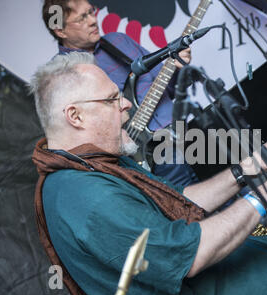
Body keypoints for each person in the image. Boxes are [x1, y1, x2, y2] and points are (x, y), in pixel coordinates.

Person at [29, 52, 267, 295]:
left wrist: (245, 170)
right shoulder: (85, 195)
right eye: (112, 99)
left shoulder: (92, 163)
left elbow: (178, 203)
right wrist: (265, 195)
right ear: (75, 116)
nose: (127, 104)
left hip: (225, 279)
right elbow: (191, 254)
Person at [41, 0, 197, 187]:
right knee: (195, 209)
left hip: (187, 134)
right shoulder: (61, 72)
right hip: (151, 156)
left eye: (91, 12)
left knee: (227, 195)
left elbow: (169, 89)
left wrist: (177, 69)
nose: (92, 20)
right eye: (82, 18)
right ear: (60, 30)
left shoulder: (118, 41)